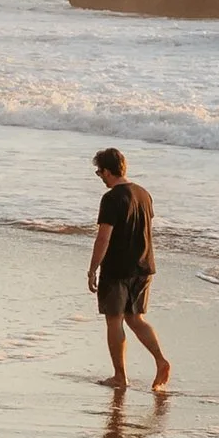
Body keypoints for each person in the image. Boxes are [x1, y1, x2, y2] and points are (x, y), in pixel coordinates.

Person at [85, 146, 171, 391]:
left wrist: (93, 269)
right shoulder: (144, 194)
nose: (99, 176)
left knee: (115, 320)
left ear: (108, 171)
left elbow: (104, 238)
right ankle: (160, 359)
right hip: (144, 266)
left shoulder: (112, 198)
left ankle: (119, 376)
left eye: (99, 171)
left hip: (117, 268)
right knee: (135, 318)